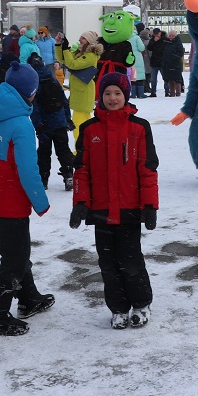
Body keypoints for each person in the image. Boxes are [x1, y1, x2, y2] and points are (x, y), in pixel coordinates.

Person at [69, 72, 158, 329]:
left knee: (131, 262)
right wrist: (80, 203)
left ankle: (141, 304)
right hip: (101, 210)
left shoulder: (139, 128)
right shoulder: (89, 129)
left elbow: (148, 169)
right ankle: (118, 307)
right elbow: (81, 170)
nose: (112, 98)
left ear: (126, 95)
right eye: (107, 93)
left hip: (130, 208)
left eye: (117, 93)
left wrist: (150, 205)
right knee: (107, 264)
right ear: (100, 96)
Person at [0, 61, 52, 336]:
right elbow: (28, 170)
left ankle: (29, 297)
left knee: (14, 252)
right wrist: (40, 202)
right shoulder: (21, 124)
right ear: (29, 92)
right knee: (15, 257)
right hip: (11, 201)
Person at [27, 54, 76, 191]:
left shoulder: (34, 84)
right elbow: (64, 102)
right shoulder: (53, 80)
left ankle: (43, 179)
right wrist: (67, 119)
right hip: (60, 123)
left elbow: (35, 108)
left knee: (44, 153)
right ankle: (68, 175)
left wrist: (38, 125)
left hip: (45, 125)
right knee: (63, 150)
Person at [56, 30, 102, 132]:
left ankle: (81, 147)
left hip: (84, 92)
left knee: (78, 123)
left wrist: (66, 49)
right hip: (79, 91)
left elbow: (73, 64)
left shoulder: (90, 56)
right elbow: (63, 59)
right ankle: (86, 146)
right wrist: (59, 45)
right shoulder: (81, 53)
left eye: (83, 38)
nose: (79, 40)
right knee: (85, 122)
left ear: (89, 40)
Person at [160, 30, 186, 97]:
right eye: (170, 36)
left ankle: (178, 92)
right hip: (167, 63)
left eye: (172, 36)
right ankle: (172, 93)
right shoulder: (166, 42)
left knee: (177, 79)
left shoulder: (178, 42)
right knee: (170, 79)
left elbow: (180, 53)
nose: (171, 37)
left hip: (176, 63)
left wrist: (173, 58)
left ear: (175, 36)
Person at [145, 28, 166, 97]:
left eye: (157, 33)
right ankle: (153, 92)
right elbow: (149, 48)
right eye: (155, 34)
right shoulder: (152, 39)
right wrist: (154, 41)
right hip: (154, 62)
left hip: (163, 61)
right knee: (153, 79)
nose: (156, 35)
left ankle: (167, 91)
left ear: (160, 33)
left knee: (165, 78)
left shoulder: (165, 39)